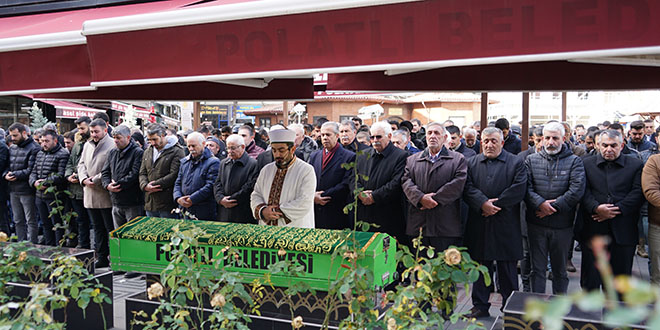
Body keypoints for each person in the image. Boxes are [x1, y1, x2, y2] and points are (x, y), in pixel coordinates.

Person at [463, 127, 527, 319]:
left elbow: (519, 188)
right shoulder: (471, 162)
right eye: (486, 141)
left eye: (494, 141)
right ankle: (480, 305)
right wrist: (482, 203)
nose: (489, 145)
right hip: (480, 221)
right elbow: (467, 187)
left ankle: (510, 307)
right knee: (480, 267)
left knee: (507, 269)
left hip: (505, 222)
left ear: (502, 142)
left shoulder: (516, 162)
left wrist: (495, 205)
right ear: (480, 142)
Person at [525, 122, 585, 294]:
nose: (551, 142)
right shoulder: (531, 160)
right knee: (537, 270)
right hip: (536, 223)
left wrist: (552, 207)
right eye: (547, 138)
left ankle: (559, 309)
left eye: (555, 138)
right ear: (542, 139)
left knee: (559, 270)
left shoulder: (575, 161)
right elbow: (526, 188)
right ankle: (537, 308)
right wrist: (540, 204)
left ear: (563, 139)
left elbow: (576, 190)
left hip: (562, 225)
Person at [580, 130, 644, 291]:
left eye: (613, 145)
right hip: (593, 228)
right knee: (591, 282)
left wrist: (616, 210)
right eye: (605, 145)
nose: (609, 149)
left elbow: (638, 193)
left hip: (623, 230)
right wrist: (596, 207)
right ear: (597, 146)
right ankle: (589, 316)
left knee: (620, 285)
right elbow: (582, 191)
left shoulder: (635, 165)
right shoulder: (585, 163)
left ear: (622, 145)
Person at [402, 122, 467, 251]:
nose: (432, 136)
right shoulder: (412, 160)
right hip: (419, 224)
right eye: (429, 133)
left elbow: (458, 183)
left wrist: (434, 199)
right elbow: (406, 181)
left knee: (444, 266)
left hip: (445, 225)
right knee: (419, 266)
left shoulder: (458, 159)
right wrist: (420, 198)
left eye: (437, 133)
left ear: (444, 138)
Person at [354, 122, 409, 242]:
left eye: (378, 137)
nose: (374, 140)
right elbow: (353, 178)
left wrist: (374, 196)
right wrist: (360, 193)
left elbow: (396, 183)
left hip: (387, 215)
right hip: (364, 214)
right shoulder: (363, 155)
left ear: (389, 136)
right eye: (372, 137)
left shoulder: (401, 156)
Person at [251, 129, 316, 228]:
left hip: (296, 229)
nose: (277, 155)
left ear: (292, 149)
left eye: (281, 150)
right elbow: (256, 194)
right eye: (274, 150)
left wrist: (274, 212)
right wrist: (263, 211)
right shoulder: (266, 170)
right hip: (267, 229)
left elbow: (304, 201)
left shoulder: (306, 170)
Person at [78, 119, 115, 268]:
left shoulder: (112, 144)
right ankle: (101, 256)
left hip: (104, 192)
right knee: (97, 227)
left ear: (105, 130)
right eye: (92, 131)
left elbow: (110, 167)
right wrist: (83, 178)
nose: (93, 134)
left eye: (96, 131)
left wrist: (96, 179)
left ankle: (113, 256)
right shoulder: (87, 145)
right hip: (89, 192)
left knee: (109, 227)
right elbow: (81, 164)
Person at [309, 122, 355, 229]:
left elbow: (345, 184)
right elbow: (308, 179)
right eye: (322, 135)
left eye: (328, 135)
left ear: (337, 136)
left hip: (336, 210)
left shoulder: (349, 157)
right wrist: (312, 196)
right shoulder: (314, 156)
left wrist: (322, 196)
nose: (325, 138)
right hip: (316, 211)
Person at [29, 130, 69, 246]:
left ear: (55, 141)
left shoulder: (62, 154)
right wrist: (34, 182)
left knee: (57, 225)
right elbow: (33, 171)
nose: (44, 144)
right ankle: (49, 249)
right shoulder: (40, 153)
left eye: (47, 141)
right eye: (42, 141)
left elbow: (61, 175)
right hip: (40, 195)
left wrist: (45, 183)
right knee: (46, 225)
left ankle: (59, 250)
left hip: (55, 196)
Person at [101, 125, 144, 229]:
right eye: (114, 138)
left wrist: (117, 184)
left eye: (118, 138)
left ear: (128, 137)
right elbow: (105, 172)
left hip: (132, 201)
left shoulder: (137, 152)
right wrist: (107, 185)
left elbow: (134, 173)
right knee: (118, 234)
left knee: (132, 233)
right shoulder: (112, 152)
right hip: (116, 201)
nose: (115, 141)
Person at [4, 123, 40, 243]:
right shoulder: (12, 148)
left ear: (24, 133)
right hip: (14, 189)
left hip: (27, 190)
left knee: (31, 220)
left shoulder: (34, 148)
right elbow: (7, 165)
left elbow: (31, 170)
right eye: (11, 136)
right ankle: (21, 246)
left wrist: (14, 175)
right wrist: (6, 174)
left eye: (15, 135)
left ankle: (33, 246)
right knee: (18, 220)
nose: (12, 138)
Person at [140, 124, 186, 218]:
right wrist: (144, 185)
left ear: (163, 136)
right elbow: (142, 172)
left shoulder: (177, 151)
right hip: (150, 203)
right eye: (149, 140)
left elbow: (174, 174)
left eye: (155, 139)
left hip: (167, 203)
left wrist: (154, 185)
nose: (152, 143)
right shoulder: (148, 151)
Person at [173, 132, 219, 220]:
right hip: (184, 209)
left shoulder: (213, 162)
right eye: (189, 146)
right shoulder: (185, 162)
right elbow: (178, 182)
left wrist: (192, 199)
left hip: (203, 210)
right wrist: (178, 198)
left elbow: (210, 185)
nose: (191, 149)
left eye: (194, 146)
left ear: (203, 144)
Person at [214, 134, 258, 223]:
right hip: (224, 212)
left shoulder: (253, 164)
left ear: (242, 147)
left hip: (242, 213)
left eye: (233, 148)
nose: (230, 151)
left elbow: (249, 187)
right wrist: (220, 199)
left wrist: (231, 200)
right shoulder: (224, 163)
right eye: (228, 148)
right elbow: (217, 183)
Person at [65, 117, 92, 248]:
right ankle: (83, 245)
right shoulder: (78, 144)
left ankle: (97, 248)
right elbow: (70, 162)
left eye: (82, 128)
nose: (80, 131)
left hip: (88, 187)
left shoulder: (93, 143)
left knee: (93, 222)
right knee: (80, 220)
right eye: (79, 128)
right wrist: (69, 175)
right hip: (75, 189)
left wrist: (81, 176)